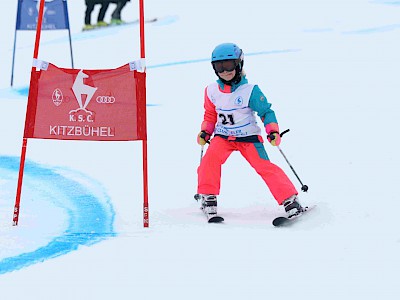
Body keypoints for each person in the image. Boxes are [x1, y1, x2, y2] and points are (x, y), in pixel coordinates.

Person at [196, 42, 304, 219]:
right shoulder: (211, 90)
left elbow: (266, 112)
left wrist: (272, 131)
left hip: (248, 138)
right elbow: (210, 114)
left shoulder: (250, 91)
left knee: (264, 166)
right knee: (209, 161)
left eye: (229, 65)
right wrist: (205, 132)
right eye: (219, 66)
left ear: (239, 64)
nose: (224, 71)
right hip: (223, 136)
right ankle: (208, 197)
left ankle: (290, 200)